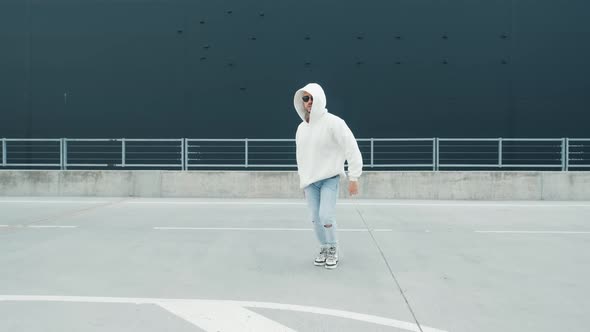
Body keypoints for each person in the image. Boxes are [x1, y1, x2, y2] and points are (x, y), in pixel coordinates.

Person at [293, 83, 363, 269]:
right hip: (310, 182)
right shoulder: (301, 128)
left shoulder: (334, 122)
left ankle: (333, 248)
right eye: (305, 98)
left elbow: (351, 148)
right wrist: (303, 181)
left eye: (311, 97)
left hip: (329, 178)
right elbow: (301, 157)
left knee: (326, 216)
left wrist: (353, 177)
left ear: (320, 98)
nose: (308, 102)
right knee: (314, 218)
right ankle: (323, 247)